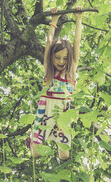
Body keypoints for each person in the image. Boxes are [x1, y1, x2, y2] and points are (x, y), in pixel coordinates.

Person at [30, 8, 82, 160]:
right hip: (45, 109)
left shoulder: (71, 70)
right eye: (57, 57)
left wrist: (78, 19)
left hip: (63, 112)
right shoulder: (48, 70)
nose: (61, 61)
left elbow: (77, 43)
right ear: (52, 57)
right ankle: (32, 134)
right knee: (36, 152)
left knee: (64, 155)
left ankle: (64, 176)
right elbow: (48, 43)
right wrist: (54, 21)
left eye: (65, 58)